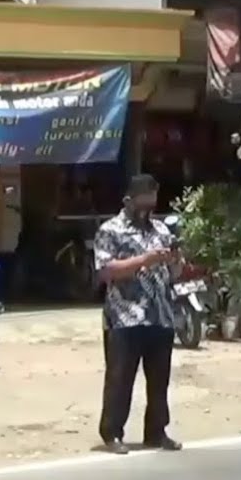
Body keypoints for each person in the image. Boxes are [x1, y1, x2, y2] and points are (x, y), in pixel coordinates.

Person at [92, 173, 184, 455]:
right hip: (124, 316)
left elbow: (174, 274)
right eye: (143, 198)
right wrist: (145, 259)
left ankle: (157, 432)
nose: (148, 204)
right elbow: (106, 271)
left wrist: (175, 260)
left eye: (153, 198)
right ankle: (112, 434)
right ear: (128, 200)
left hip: (160, 315)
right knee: (120, 379)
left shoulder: (160, 231)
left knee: (159, 381)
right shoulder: (111, 230)